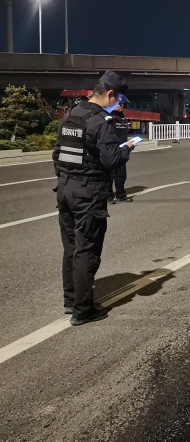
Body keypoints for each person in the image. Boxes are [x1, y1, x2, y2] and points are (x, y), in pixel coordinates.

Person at [53, 70, 138, 325]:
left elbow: (57, 153)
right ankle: (83, 310)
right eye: (118, 98)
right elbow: (112, 161)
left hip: (65, 189)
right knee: (87, 251)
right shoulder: (102, 121)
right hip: (88, 193)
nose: (118, 103)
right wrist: (127, 148)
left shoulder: (71, 114)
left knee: (71, 249)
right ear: (110, 94)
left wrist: (67, 178)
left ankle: (71, 301)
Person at [109, 104, 132, 203]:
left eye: (121, 104)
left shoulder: (122, 118)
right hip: (111, 149)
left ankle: (121, 195)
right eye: (118, 103)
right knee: (109, 174)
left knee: (121, 174)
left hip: (122, 149)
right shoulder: (108, 117)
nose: (120, 105)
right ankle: (108, 196)